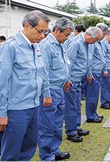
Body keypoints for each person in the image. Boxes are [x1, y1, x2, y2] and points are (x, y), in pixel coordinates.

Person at [0, 10, 51, 161]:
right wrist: (1, 113)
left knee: (29, 145)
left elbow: (42, 73)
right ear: (27, 26)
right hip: (16, 110)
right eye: (41, 31)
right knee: (12, 150)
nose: (43, 36)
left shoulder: (36, 46)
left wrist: (46, 93)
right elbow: (0, 83)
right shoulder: (10, 47)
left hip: (34, 106)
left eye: (46, 32)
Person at [38, 17, 74, 161]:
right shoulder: (46, 45)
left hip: (59, 88)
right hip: (50, 90)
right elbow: (44, 72)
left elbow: (65, 64)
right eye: (66, 34)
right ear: (57, 30)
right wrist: (46, 94)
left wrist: (67, 80)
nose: (67, 38)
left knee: (58, 122)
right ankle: (47, 155)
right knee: (47, 124)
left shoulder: (61, 44)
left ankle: (54, 149)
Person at [65, 26, 102, 142]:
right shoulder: (76, 43)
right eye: (95, 40)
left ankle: (76, 127)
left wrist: (89, 74)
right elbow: (68, 63)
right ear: (89, 35)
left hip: (79, 79)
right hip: (72, 80)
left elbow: (88, 61)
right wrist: (67, 79)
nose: (95, 43)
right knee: (71, 106)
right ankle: (71, 131)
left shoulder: (88, 44)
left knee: (77, 105)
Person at [85, 23, 107, 123]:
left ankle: (94, 113)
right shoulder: (93, 43)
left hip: (98, 71)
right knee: (92, 95)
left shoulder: (99, 43)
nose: (104, 35)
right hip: (94, 71)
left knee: (96, 94)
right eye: (103, 33)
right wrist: (89, 73)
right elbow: (89, 59)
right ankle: (90, 115)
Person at [100, 28, 110, 109]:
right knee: (106, 86)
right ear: (107, 35)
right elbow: (103, 57)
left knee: (109, 85)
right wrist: (105, 69)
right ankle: (104, 102)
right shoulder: (103, 43)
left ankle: (107, 100)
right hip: (107, 67)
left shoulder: (108, 43)